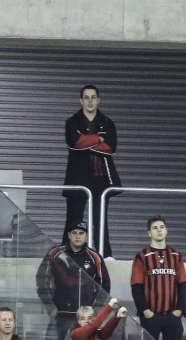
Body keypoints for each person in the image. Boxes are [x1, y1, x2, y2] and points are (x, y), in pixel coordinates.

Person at [63, 85, 119, 257]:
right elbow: (75, 142)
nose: (89, 101)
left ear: (98, 100)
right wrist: (99, 138)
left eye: (93, 97)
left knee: (100, 220)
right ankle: (66, 256)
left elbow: (110, 147)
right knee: (74, 219)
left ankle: (105, 255)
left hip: (101, 178)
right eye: (86, 97)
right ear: (81, 100)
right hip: (78, 177)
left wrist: (87, 142)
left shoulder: (108, 122)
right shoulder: (72, 122)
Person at [37, 222, 109, 340]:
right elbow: (41, 280)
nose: (77, 236)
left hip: (84, 318)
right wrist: (50, 306)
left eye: (81, 233)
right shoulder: (55, 253)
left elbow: (104, 285)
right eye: (74, 233)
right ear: (69, 235)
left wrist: (94, 310)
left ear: (86, 236)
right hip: (59, 315)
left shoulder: (94, 257)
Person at [130, 216, 186, 340]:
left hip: (172, 316)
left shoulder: (176, 256)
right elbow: (136, 287)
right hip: (150, 316)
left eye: (162, 227)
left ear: (166, 230)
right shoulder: (142, 256)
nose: (159, 230)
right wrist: (145, 311)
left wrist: (179, 310)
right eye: (155, 228)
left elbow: (182, 285)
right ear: (149, 233)